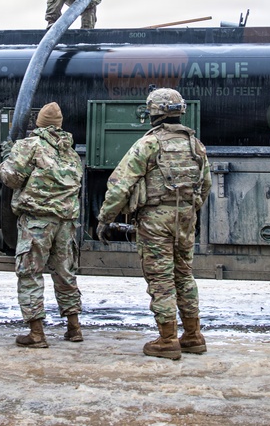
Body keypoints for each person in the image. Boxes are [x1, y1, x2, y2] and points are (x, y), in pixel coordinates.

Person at [96, 88, 211, 360]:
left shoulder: (148, 144)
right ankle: (193, 336)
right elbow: (204, 186)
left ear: (154, 112)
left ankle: (168, 339)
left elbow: (119, 185)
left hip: (155, 221)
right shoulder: (195, 145)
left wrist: (105, 218)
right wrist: (188, 209)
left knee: (161, 278)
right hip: (184, 218)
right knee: (184, 273)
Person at [0, 102, 84, 348]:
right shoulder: (69, 151)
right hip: (65, 223)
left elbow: (10, 178)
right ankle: (74, 327)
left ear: (39, 124)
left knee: (30, 273)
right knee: (65, 273)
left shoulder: (29, 145)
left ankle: (36, 334)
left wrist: (7, 156)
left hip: (37, 221)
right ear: (59, 125)